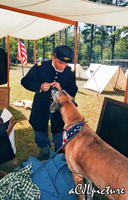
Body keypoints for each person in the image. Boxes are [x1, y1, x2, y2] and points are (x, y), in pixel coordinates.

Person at [21, 45, 78, 153]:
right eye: (60, 63)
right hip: (41, 106)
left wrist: (62, 89)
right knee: (39, 127)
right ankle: (44, 149)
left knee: (59, 129)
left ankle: (59, 150)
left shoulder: (69, 72)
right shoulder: (40, 67)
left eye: (66, 63)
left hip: (59, 109)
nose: (63, 66)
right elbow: (25, 81)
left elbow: (73, 90)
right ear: (53, 58)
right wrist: (40, 87)